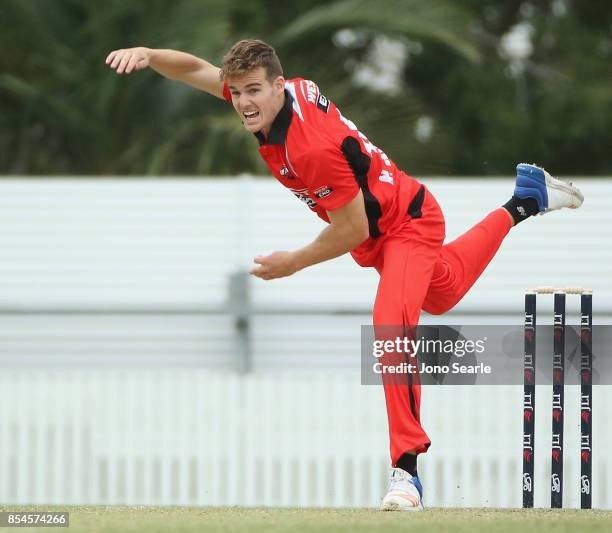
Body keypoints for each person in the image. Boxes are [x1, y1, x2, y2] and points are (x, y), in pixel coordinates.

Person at [106, 40, 584, 511]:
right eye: (235, 93)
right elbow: (194, 69)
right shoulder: (269, 97)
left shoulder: (308, 145)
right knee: (444, 291)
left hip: (407, 223)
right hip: (383, 232)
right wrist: (150, 56)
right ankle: (526, 200)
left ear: (277, 86)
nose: (243, 103)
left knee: (390, 327)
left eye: (252, 91)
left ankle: (406, 470)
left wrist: (293, 262)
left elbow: (350, 228)